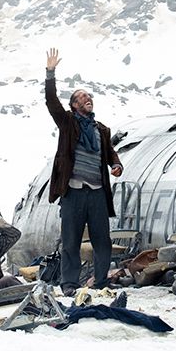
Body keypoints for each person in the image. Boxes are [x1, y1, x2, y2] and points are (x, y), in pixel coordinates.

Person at [44, 48, 123, 296]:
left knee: (102, 240)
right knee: (71, 241)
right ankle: (69, 284)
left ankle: (101, 280)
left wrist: (116, 164)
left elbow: (108, 152)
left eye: (89, 96)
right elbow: (51, 101)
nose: (87, 99)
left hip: (97, 192)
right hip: (74, 191)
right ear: (74, 105)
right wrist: (50, 73)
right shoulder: (68, 123)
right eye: (82, 97)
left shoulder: (101, 129)